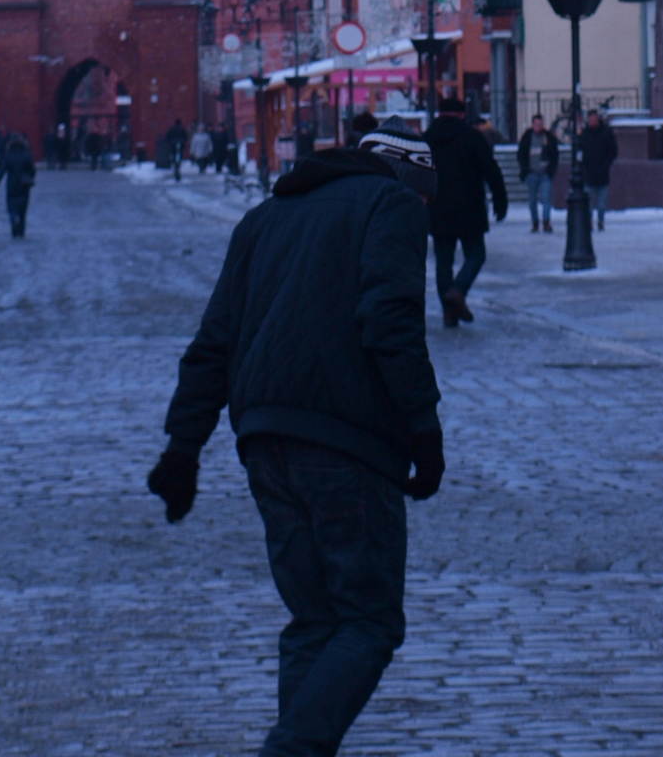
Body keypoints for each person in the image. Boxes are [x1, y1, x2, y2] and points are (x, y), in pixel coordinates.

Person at [149, 129, 445, 757]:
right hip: (346, 441)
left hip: (264, 441)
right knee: (368, 621)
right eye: (428, 202)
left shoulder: (265, 216)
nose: (425, 216)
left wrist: (183, 447)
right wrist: (424, 427)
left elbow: (214, 342)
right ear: (412, 181)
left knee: (313, 621)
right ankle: (290, 750)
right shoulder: (389, 205)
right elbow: (390, 320)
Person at [425, 97, 508, 327]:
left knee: (443, 260)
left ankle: (448, 310)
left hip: (438, 207)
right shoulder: (473, 137)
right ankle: (458, 290)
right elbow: (490, 169)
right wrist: (501, 201)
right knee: (476, 254)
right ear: (462, 114)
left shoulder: (427, 139)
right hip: (469, 207)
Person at [574, 108, 619, 227]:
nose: (593, 122)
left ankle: (600, 221)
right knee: (588, 202)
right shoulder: (584, 134)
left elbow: (613, 150)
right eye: (591, 120)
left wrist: (606, 163)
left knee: (601, 203)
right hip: (588, 173)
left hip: (602, 173)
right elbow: (579, 150)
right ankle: (589, 222)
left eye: (594, 119)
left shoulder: (606, 133)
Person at [516, 117, 557, 235]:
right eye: (536, 124)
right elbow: (521, 154)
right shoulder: (527, 137)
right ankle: (535, 222)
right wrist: (525, 169)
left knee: (546, 199)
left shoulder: (548, 137)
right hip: (532, 173)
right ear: (532, 125)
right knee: (532, 200)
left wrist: (551, 170)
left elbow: (554, 154)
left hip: (545, 173)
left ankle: (546, 222)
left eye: (541, 124)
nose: (538, 126)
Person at [0, 132, 38, 237]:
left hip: (11, 185)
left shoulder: (8, 155)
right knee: (23, 210)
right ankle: (21, 230)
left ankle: (14, 222)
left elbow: (1, 172)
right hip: (24, 186)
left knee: (11, 208)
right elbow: (33, 171)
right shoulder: (27, 155)